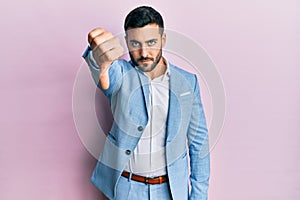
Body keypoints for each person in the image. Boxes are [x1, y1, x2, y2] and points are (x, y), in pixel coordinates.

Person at [82, 6, 210, 200]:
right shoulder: (121, 74)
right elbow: (103, 69)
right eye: (135, 43)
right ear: (126, 42)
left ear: (163, 40)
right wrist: (97, 49)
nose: (144, 52)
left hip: (170, 191)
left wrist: (198, 196)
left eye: (151, 42)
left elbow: (198, 144)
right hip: (126, 188)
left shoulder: (187, 82)